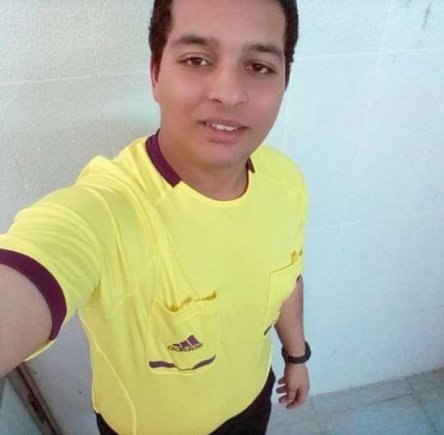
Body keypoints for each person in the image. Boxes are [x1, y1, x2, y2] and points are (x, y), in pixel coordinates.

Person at [0, 0, 310, 433]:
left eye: (258, 67)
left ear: (283, 83)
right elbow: (36, 269)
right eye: (197, 59)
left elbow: (287, 278)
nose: (229, 93)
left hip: (253, 402)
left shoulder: (286, 181)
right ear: (155, 74)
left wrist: (296, 357)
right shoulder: (107, 211)